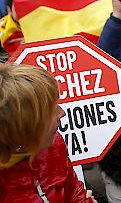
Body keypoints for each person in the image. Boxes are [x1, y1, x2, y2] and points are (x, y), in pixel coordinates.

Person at [0, 64, 95, 202]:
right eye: (50, 110)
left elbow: (75, 194)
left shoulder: (54, 144)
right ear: (24, 127)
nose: (62, 113)